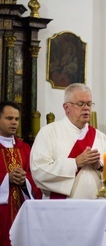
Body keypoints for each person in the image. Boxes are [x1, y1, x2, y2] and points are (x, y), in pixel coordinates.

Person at [30, 83, 106, 199]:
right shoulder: (48, 133)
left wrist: (99, 166)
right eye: (80, 104)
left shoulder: (100, 137)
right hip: (61, 207)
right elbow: (39, 171)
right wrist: (75, 163)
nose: (86, 108)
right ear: (66, 107)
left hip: (96, 208)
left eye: (89, 104)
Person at [0, 101, 42, 246]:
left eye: (16, 119)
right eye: (9, 118)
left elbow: (34, 176)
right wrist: (7, 179)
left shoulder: (24, 148)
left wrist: (25, 180)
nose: (14, 122)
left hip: (22, 209)